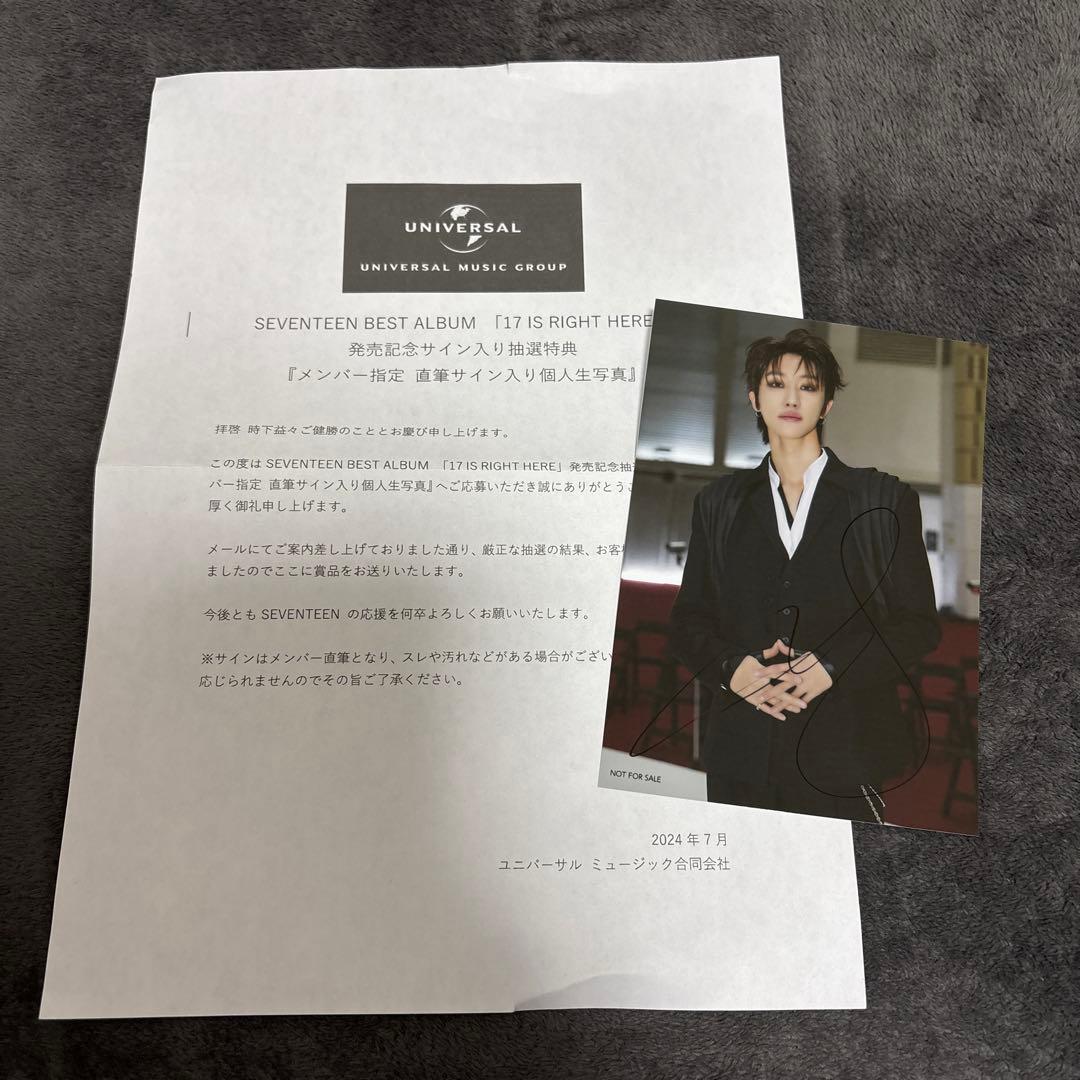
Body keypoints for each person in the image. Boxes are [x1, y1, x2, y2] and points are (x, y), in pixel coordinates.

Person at [666, 328, 941, 823]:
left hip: (846, 750)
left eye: (808, 386)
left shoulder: (882, 500)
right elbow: (688, 622)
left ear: (827, 404)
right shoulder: (718, 503)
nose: (791, 398)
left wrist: (832, 667)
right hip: (741, 752)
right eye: (776, 384)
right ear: (754, 398)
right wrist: (733, 670)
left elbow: (918, 626)